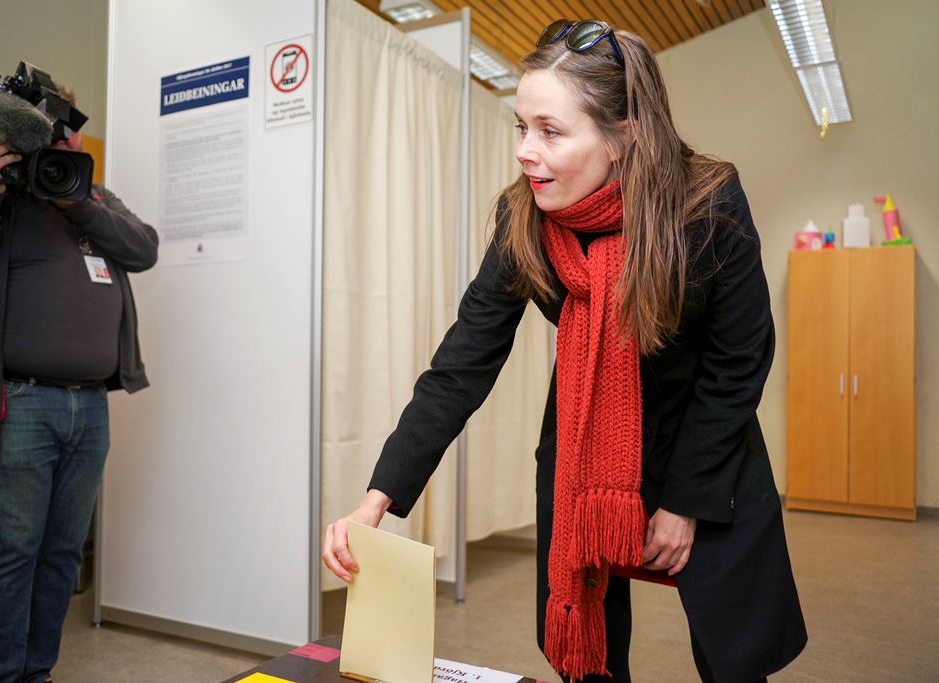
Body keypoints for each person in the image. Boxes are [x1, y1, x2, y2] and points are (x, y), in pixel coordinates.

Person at [323, 19, 806, 683]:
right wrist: (376, 496)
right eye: (521, 126)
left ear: (625, 137)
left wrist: (687, 501)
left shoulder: (706, 203)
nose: (525, 151)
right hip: (585, 449)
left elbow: (739, 360)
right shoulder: (524, 216)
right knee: (587, 654)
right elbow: (463, 362)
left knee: (734, 654)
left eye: (550, 131)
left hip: (703, 445)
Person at [0, 87, 157, 683]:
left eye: (70, 128)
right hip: (17, 403)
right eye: (48, 129)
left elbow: (143, 247)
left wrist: (79, 200)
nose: (61, 140)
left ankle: (37, 674)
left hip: (91, 407)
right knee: (11, 554)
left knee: (59, 556)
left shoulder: (89, 194)